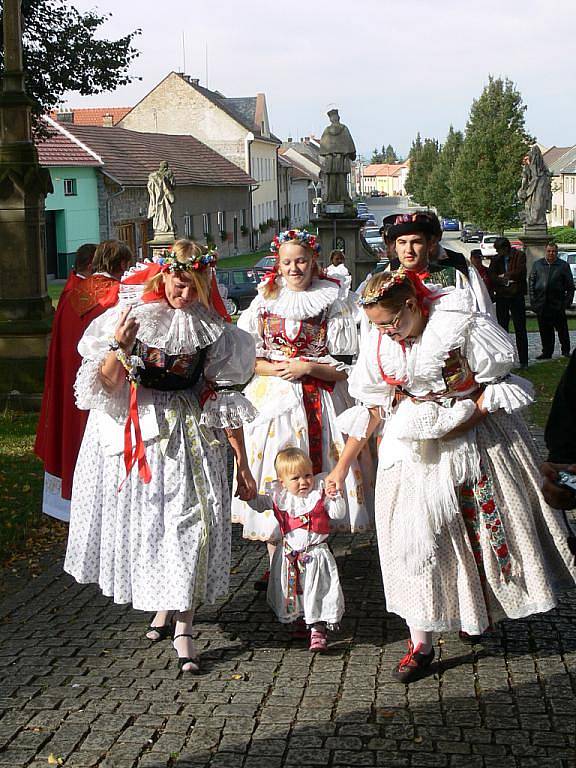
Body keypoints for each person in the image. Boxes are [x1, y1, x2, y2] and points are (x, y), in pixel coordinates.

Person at [326, 269, 576, 683]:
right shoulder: (378, 340)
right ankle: (419, 641)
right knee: (411, 541)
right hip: (410, 449)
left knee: (475, 530)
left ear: (411, 305)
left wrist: (462, 422)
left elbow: (497, 386)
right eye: (377, 326)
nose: (387, 333)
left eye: (392, 322)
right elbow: (373, 407)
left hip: (473, 439)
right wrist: (341, 466)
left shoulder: (458, 322)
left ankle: (473, 609)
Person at [64, 239, 258, 672]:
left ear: (203, 284)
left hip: (188, 434)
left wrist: (242, 462)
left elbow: (223, 396)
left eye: (191, 286)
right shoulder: (131, 318)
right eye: (176, 282)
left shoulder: (214, 329)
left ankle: (185, 625)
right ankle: (165, 606)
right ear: (163, 276)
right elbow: (106, 385)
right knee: (154, 525)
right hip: (143, 434)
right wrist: (119, 346)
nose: (182, 293)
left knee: (191, 522)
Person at [232, 228, 371, 589]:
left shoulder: (334, 301)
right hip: (271, 404)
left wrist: (308, 367)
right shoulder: (263, 301)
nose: (294, 268)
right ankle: (279, 562)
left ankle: (313, 555)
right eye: (287, 262)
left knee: (314, 476)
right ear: (277, 264)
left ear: (314, 262)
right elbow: (247, 359)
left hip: (318, 399)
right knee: (277, 478)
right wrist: (271, 368)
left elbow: (346, 366)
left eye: (301, 261)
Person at [35, 241, 129, 521]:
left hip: (69, 385)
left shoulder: (71, 294)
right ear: (122, 266)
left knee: (70, 435)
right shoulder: (120, 296)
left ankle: (70, 503)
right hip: (104, 389)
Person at [247, 447, 346, 651]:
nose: (303, 482)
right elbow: (258, 504)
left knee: (317, 591)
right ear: (282, 482)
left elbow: (337, 513)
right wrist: (248, 495)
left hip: (316, 555)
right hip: (290, 556)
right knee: (294, 591)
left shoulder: (319, 495)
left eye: (307, 475)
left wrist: (335, 497)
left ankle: (318, 630)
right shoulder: (280, 498)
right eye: (296, 478)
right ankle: (300, 620)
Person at [385, 214, 493, 316]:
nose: (409, 250)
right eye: (402, 242)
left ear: (429, 244)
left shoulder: (455, 275)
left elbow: (483, 311)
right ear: (395, 247)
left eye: (416, 242)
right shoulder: (385, 278)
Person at [488, 237, 529, 368]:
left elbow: (521, 272)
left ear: (505, 248)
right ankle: (505, 359)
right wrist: (504, 281)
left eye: (499, 250)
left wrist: (505, 275)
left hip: (516, 296)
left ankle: (524, 360)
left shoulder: (519, 255)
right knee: (503, 328)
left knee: (520, 328)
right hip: (502, 296)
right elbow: (492, 275)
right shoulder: (496, 259)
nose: (498, 253)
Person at [529, 242, 574, 360]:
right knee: (545, 331)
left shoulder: (563, 266)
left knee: (562, 330)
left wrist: (566, 303)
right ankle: (547, 352)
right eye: (549, 251)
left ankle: (565, 351)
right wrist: (533, 301)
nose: (551, 253)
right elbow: (531, 283)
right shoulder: (537, 264)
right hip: (542, 303)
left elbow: (570, 286)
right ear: (545, 251)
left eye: (553, 251)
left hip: (557, 303)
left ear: (557, 252)